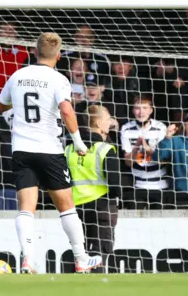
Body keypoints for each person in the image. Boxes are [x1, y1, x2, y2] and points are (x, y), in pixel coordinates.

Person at [0, 32, 102, 274]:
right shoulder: (58, 79)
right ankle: (81, 259)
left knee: (25, 208)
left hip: (22, 149)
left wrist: (15, 108)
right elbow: (66, 110)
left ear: (35, 52)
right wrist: (78, 142)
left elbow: (0, 105)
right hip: (49, 150)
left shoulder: (18, 75)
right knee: (66, 207)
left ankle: (27, 260)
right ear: (59, 55)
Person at [66, 105, 121, 272]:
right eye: (107, 118)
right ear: (97, 122)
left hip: (76, 208)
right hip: (102, 207)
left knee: (79, 252)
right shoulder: (105, 149)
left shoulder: (69, 149)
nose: (110, 121)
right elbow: (115, 185)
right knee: (99, 252)